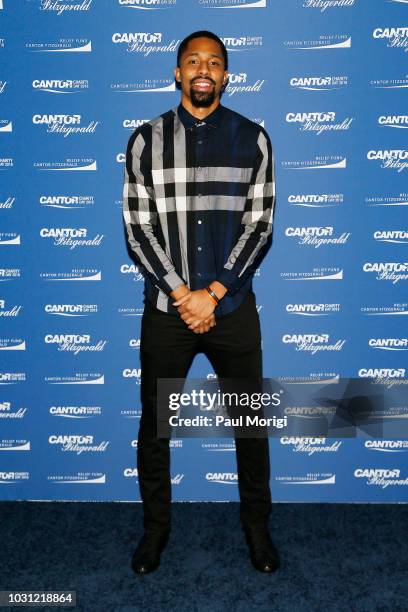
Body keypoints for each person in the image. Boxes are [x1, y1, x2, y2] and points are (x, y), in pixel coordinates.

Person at [123, 30, 279, 574]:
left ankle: (257, 532)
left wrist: (213, 292)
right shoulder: (145, 141)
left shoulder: (253, 139)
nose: (203, 69)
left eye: (214, 61)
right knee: (155, 428)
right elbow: (138, 228)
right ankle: (154, 533)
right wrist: (180, 292)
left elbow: (260, 225)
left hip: (232, 311)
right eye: (193, 61)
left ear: (226, 74)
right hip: (167, 311)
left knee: (250, 427)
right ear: (177, 73)